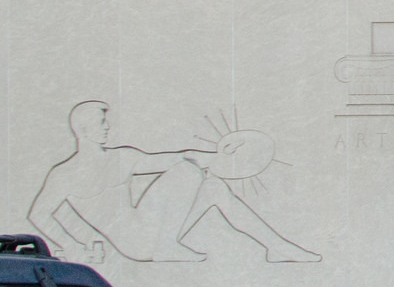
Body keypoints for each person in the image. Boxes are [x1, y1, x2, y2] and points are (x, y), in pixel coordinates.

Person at [26, 101, 318, 264]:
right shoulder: (64, 173)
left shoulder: (121, 157)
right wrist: (72, 243)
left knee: (210, 184)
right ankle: (166, 247)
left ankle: (276, 247)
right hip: (137, 245)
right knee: (188, 172)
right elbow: (38, 214)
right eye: (102, 123)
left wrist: (216, 154)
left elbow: (173, 157)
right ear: (85, 130)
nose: (107, 128)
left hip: (149, 227)